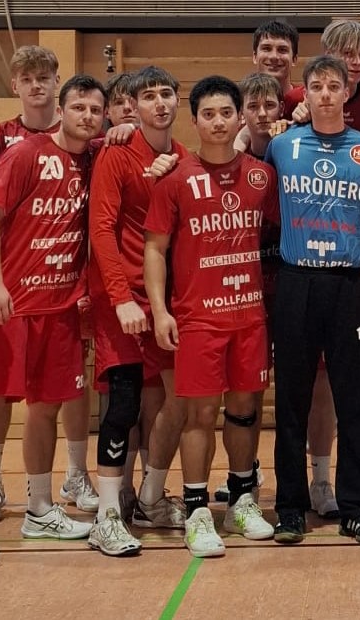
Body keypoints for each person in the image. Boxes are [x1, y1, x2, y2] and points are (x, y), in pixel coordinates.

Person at [0, 74, 107, 565]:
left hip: (60, 310)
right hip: (10, 307)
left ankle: (40, 510)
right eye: (78, 107)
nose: (87, 116)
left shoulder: (95, 160)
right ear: (61, 110)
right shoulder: (24, 154)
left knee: (46, 409)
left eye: (95, 109)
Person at [265, 55, 360, 545]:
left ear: (347, 92)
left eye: (333, 86)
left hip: (348, 285)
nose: (325, 94)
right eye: (317, 86)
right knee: (292, 400)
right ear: (305, 93)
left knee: (357, 399)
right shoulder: (282, 145)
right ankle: (290, 507)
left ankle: (356, 508)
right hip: (296, 281)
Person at [145, 76, 277, 557]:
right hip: (198, 318)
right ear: (195, 120)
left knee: (244, 412)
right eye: (208, 114)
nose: (218, 122)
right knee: (199, 414)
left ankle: (242, 500)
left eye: (226, 113)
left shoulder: (262, 176)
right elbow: (155, 249)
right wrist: (160, 311)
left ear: (240, 117)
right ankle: (198, 510)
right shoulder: (176, 179)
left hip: (250, 316)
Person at [87, 66, 189, 556]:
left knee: (176, 400)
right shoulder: (116, 153)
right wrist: (120, 297)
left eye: (166, 93)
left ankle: (149, 497)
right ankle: (106, 517)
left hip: (164, 301)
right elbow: (101, 230)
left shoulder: (183, 156)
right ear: (135, 106)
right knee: (123, 405)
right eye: (148, 96)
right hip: (122, 300)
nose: (159, 103)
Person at [213, 72, 282, 505]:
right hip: (244, 291)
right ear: (242, 114)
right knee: (245, 393)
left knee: (299, 391)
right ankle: (245, 473)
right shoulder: (230, 159)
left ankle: (307, 478)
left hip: (288, 284)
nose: (262, 114)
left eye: (269, 105)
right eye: (252, 106)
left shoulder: (293, 149)